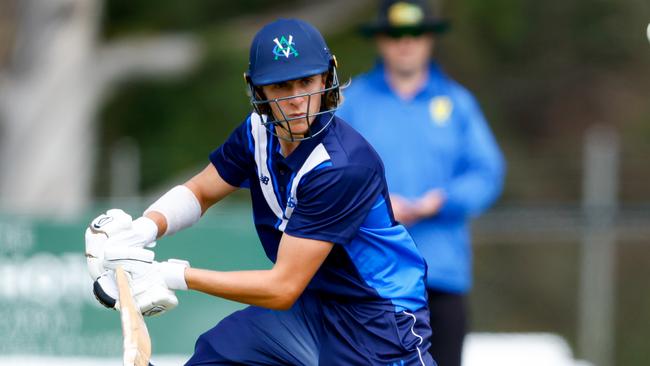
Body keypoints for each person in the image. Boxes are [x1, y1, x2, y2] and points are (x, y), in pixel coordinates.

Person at [85, 18, 438, 365]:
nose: (298, 99)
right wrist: (144, 229)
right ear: (259, 91)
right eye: (282, 86)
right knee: (219, 353)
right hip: (313, 304)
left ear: (326, 78)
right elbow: (201, 192)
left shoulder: (343, 166)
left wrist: (170, 276)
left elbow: (282, 288)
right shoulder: (256, 133)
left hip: (377, 321)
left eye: (306, 81)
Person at [337, 1, 506, 365]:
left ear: (430, 39)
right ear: (380, 40)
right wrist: (372, 207)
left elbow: (487, 172)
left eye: (415, 33)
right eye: (396, 34)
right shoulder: (352, 104)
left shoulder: (458, 104)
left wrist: (442, 200)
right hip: (369, 279)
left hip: (441, 275)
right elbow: (326, 175)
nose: (406, 43)